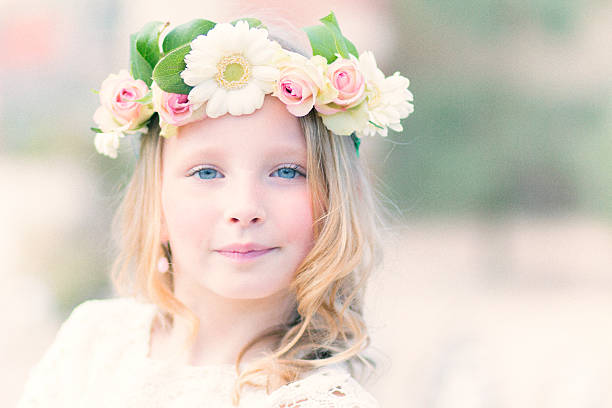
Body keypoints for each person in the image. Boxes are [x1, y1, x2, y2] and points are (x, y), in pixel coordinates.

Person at [17, 11, 413, 407]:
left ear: (334, 197)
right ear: (156, 197)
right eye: (206, 172)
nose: (244, 208)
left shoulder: (317, 400)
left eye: (287, 171)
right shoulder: (94, 343)